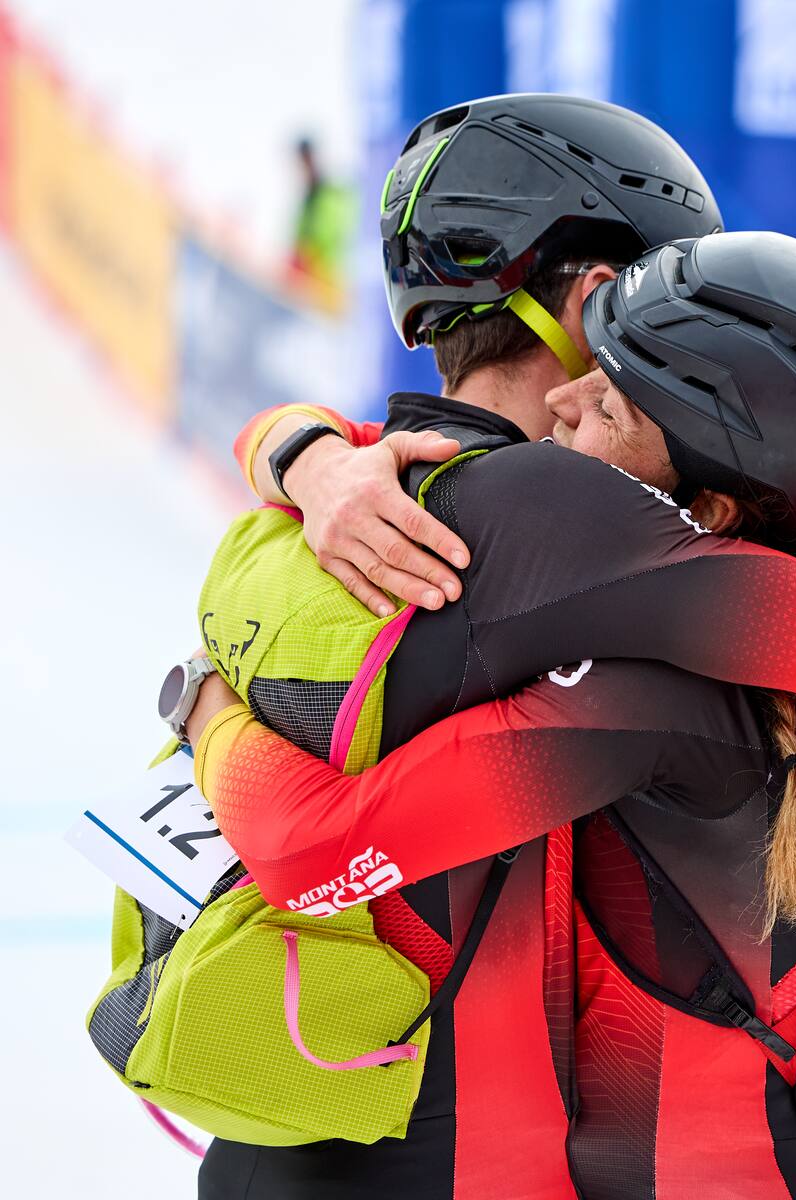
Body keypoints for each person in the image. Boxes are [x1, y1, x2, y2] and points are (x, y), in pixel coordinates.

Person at [185, 234, 796, 1198]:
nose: (560, 400)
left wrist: (206, 708)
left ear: (712, 512)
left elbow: (310, 852)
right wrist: (308, 455)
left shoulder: (646, 692)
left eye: (607, 402)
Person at [191, 92, 726, 1200]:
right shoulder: (580, 533)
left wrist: (293, 449)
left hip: (287, 1144)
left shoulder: (300, 522)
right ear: (596, 303)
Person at [286, 136, 355, 301]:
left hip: (326, 287)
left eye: (306, 160)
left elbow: (333, 238)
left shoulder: (332, 196)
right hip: (304, 284)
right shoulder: (307, 198)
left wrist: (307, 257)